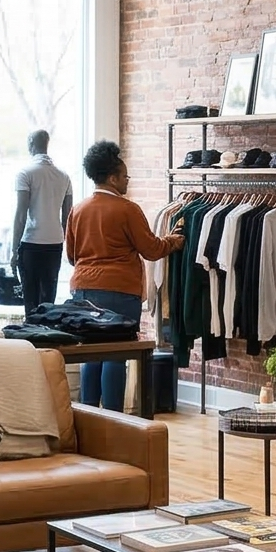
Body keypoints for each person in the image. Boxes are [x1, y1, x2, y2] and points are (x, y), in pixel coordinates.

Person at [63, 141, 182, 412]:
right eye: (125, 176)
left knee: (91, 354)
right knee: (116, 353)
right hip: (119, 291)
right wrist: (173, 241)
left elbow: (71, 255)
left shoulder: (78, 210)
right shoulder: (128, 209)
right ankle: (115, 419)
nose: (128, 180)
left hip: (82, 290)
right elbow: (151, 249)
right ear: (112, 178)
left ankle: (88, 415)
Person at [12, 129, 73, 309]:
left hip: (31, 241)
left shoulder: (25, 173)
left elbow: (21, 214)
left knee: (30, 298)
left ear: (30, 144)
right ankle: (47, 326)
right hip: (55, 242)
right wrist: (66, 244)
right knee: (48, 298)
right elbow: (67, 216)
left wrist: (14, 250)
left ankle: (31, 326)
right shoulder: (64, 176)